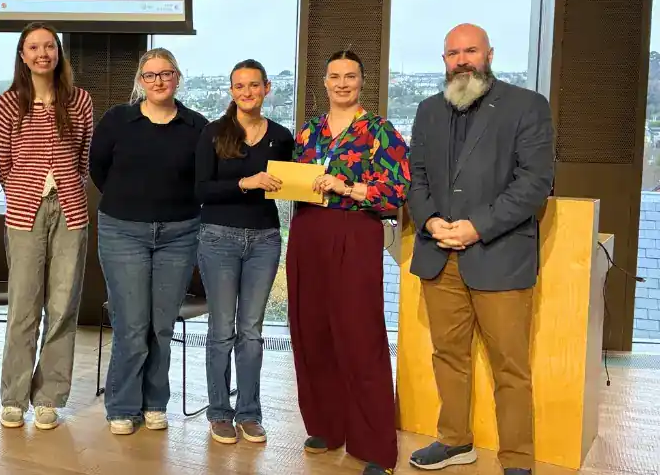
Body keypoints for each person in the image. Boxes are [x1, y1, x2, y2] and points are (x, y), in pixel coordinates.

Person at [406, 24, 554, 475]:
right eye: (453, 53)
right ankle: (454, 441)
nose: (462, 60)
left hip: (499, 255)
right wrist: (429, 220)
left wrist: (476, 228)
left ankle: (517, 460)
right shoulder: (429, 109)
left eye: (470, 50)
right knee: (448, 356)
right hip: (439, 256)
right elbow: (416, 177)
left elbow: (534, 184)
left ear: (489, 53)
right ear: (444, 59)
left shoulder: (527, 106)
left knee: (510, 366)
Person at [287, 50, 410, 475]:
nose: (342, 83)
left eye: (351, 76)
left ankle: (375, 446)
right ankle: (326, 425)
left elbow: (397, 193)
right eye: (334, 75)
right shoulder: (307, 132)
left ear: (362, 81)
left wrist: (347, 186)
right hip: (306, 233)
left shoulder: (380, 131)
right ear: (323, 81)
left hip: (354, 233)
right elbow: (294, 181)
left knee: (360, 336)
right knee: (310, 332)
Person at [89, 48, 209, 435]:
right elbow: (98, 170)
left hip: (179, 234)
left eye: (166, 73)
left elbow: (203, 180)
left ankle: (155, 401)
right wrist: (133, 204)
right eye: (150, 75)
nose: (159, 81)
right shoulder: (117, 120)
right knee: (131, 324)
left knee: (160, 324)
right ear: (140, 81)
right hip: (123, 231)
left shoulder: (197, 126)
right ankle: (122, 405)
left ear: (178, 77)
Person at [0, 23, 94, 431]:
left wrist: (65, 186)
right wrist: (24, 188)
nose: (42, 53)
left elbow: (84, 155)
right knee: (23, 306)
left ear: (58, 52)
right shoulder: (7, 103)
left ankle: (50, 396)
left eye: (49, 46)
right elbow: (1, 159)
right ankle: (14, 397)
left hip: (71, 211)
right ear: (22, 55)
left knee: (64, 305)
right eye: (33, 47)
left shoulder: (80, 100)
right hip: (22, 213)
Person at [194, 59, 294, 445]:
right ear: (231, 90)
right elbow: (201, 190)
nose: (247, 92)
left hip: (265, 240)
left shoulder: (282, 137)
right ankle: (220, 412)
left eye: (254, 85)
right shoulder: (213, 133)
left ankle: (249, 414)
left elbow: (287, 187)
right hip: (218, 238)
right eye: (240, 86)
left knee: (251, 331)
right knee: (221, 331)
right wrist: (246, 182)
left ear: (267, 88)